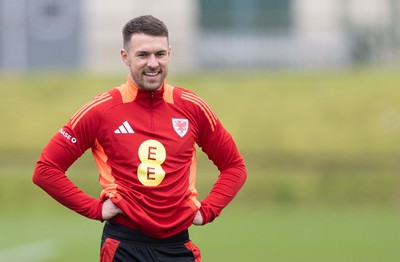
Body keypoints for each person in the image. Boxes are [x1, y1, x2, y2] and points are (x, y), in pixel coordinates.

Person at [33, 15, 247, 262]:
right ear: (125, 57)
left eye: (160, 54)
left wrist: (208, 211)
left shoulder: (192, 107)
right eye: (143, 55)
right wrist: (95, 209)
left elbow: (234, 166)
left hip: (178, 246)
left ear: (170, 53)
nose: (153, 63)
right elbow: (46, 169)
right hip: (125, 246)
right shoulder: (101, 110)